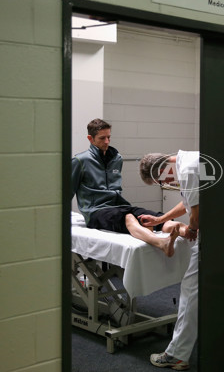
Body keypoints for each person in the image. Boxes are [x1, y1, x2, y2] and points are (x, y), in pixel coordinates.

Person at [71, 118, 185, 257]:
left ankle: (192, 233)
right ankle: (162, 243)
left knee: (155, 217)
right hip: (96, 211)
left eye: (109, 137)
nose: (107, 141)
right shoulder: (80, 161)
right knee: (128, 217)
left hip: (119, 206)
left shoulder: (116, 159)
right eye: (102, 138)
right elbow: (67, 193)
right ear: (91, 138)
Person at [138, 151, 199, 371]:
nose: (166, 184)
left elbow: (196, 213)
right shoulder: (191, 160)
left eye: (161, 180)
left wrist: (192, 228)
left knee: (191, 293)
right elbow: (189, 202)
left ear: (162, 169)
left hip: (218, 232)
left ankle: (177, 355)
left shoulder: (189, 169)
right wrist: (161, 219)